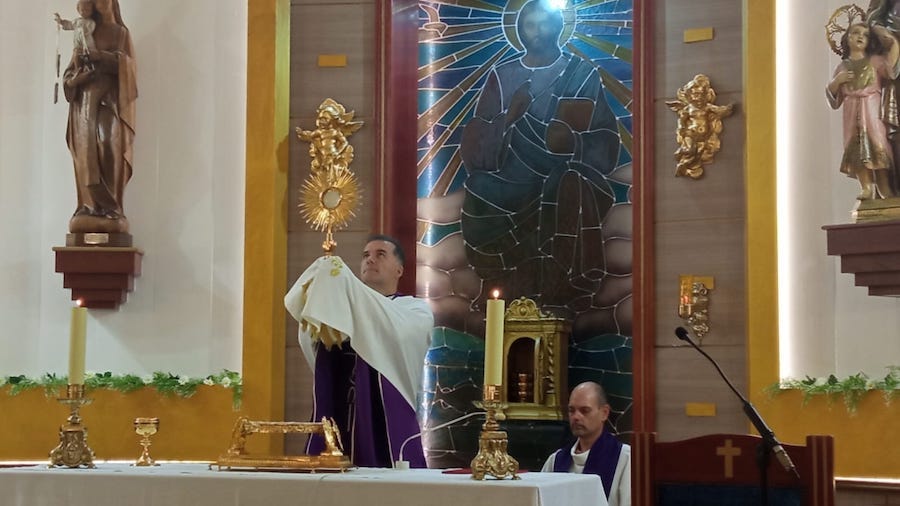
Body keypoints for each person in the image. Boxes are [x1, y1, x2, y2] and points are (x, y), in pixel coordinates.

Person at [458, 0, 620, 315]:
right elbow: (474, 143)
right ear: (519, 30)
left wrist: (573, 141)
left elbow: (607, 140)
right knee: (478, 187)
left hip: (562, 169)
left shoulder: (581, 74)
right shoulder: (503, 75)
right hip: (510, 174)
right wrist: (509, 117)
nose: (537, 31)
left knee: (565, 184)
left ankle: (560, 290)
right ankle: (500, 285)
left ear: (558, 28)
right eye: (530, 25)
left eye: (544, 23)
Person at [284, 235, 434, 468]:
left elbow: (395, 331)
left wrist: (345, 284)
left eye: (380, 255)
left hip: (384, 420)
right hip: (340, 412)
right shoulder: (343, 312)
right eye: (365, 255)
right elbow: (310, 335)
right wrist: (324, 292)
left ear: (399, 270)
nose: (370, 260)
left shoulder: (414, 310)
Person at [62, 0, 137, 234]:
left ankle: (112, 209)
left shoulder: (120, 33)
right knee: (86, 154)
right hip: (84, 106)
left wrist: (100, 57)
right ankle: (88, 207)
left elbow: (128, 67)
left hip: (109, 104)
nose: (99, 3)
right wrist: (74, 80)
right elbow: (70, 71)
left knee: (107, 147)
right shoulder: (85, 30)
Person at [826, 22, 900, 200]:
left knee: (878, 146)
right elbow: (834, 100)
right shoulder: (842, 67)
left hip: (872, 110)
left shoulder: (875, 61)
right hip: (851, 112)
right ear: (847, 38)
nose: (860, 36)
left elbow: (891, 69)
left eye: (865, 35)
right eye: (856, 32)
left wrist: (893, 43)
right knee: (856, 150)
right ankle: (866, 187)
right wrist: (837, 81)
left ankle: (884, 188)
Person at [542, 381, 630, 506]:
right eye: (571, 410)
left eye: (584, 410)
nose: (576, 417)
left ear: (604, 413)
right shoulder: (555, 460)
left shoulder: (625, 458)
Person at [54, 0, 97, 72]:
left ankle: (89, 67)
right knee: (76, 54)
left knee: (87, 56)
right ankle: (77, 69)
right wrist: (61, 21)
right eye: (82, 10)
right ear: (78, 10)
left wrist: (83, 29)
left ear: (91, 11)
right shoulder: (77, 21)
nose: (84, 12)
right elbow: (69, 25)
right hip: (78, 44)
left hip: (87, 45)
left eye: (87, 10)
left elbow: (90, 29)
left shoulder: (90, 22)